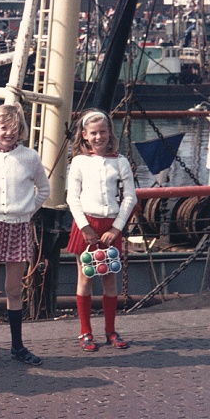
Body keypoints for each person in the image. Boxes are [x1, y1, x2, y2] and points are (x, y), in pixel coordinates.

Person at [0, 102, 51, 369]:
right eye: (4, 128)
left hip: (18, 227)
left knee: (14, 290)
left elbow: (44, 190)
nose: (9, 133)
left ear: (21, 131)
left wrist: (28, 210)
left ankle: (17, 346)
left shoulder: (30, 157)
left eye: (14, 129)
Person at [66, 109, 137, 352]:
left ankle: (110, 331)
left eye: (103, 132)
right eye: (93, 133)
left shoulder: (121, 161)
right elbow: (72, 198)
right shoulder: (78, 162)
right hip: (86, 226)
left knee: (109, 277)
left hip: (110, 228)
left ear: (109, 133)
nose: (99, 137)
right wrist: (84, 227)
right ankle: (85, 332)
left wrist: (116, 228)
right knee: (85, 278)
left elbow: (130, 198)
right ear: (85, 135)